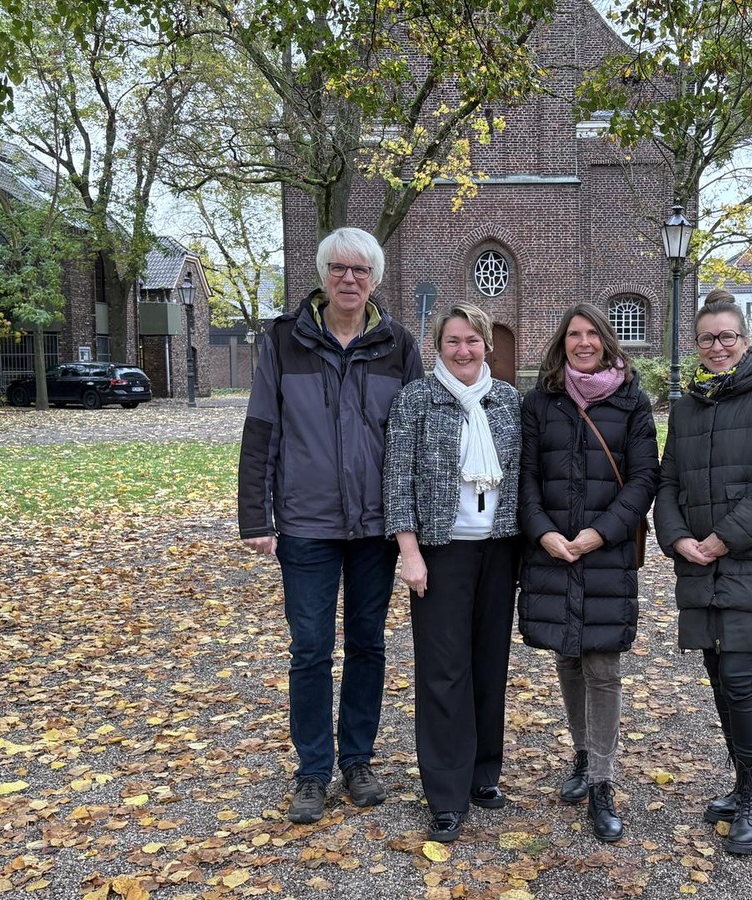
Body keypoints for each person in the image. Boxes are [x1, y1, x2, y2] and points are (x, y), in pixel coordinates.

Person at [238, 227, 423, 825]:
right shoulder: (286, 342)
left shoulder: (398, 344)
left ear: (376, 278)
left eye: (360, 270)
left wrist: (418, 523)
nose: (349, 279)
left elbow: (421, 438)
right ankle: (313, 772)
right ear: (322, 275)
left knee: (368, 645)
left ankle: (358, 760)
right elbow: (262, 428)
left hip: (377, 527)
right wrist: (254, 516)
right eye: (338, 269)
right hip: (306, 524)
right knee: (311, 649)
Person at [653, 294, 752, 856]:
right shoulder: (689, 405)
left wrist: (726, 537)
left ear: (745, 341)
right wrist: (677, 538)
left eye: (727, 337)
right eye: (707, 339)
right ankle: (745, 783)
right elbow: (668, 478)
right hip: (701, 560)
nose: (717, 347)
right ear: (696, 346)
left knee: (739, 676)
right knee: (718, 673)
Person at [518, 303, 660, 842]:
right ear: (563, 341)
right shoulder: (541, 401)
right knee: (569, 658)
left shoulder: (631, 401)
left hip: (606, 549)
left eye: (592, 334)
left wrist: (600, 533)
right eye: (574, 334)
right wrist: (543, 532)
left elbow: (645, 478)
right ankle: (582, 755)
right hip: (552, 549)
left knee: (603, 665)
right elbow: (525, 478)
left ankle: (602, 780)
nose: (583, 343)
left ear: (606, 341)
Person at [383, 302, 522, 843]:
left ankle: (483, 774)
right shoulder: (416, 399)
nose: (463, 351)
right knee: (444, 673)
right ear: (437, 348)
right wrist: (410, 553)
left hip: (499, 552)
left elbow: (521, 477)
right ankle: (445, 790)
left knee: (489, 665)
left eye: (472, 341)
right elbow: (396, 481)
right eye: (452, 342)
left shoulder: (508, 400)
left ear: (486, 344)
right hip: (440, 553)